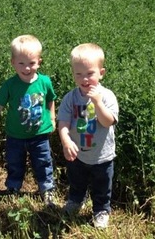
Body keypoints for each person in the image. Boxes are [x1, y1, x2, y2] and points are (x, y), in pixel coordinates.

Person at [0, 35, 57, 207]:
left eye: (31, 63)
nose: (27, 68)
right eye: (21, 63)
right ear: (13, 62)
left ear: (39, 62)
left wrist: (52, 117)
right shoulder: (10, 85)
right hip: (15, 135)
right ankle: (13, 188)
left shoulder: (45, 82)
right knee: (14, 162)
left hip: (40, 134)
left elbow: (51, 99)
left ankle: (47, 189)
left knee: (44, 162)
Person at [57, 43, 119, 229]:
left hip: (103, 156)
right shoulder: (70, 98)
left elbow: (108, 122)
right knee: (76, 182)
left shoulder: (107, 96)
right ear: (73, 74)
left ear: (101, 73)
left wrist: (98, 103)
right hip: (77, 154)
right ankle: (76, 200)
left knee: (102, 187)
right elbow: (63, 123)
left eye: (90, 74)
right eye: (79, 74)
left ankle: (101, 210)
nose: (84, 79)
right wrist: (66, 140)